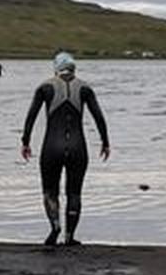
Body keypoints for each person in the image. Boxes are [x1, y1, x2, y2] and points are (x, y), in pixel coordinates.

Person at [21, 51, 110, 246]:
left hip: (51, 147)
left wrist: (25, 142)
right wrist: (105, 142)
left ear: (56, 68)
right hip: (78, 148)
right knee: (74, 193)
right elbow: (99, 117)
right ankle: (70, 236)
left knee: (50, 191)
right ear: (73, 67)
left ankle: (55, 225)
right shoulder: (85, 88)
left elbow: (31, 117)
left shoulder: (45, 87)